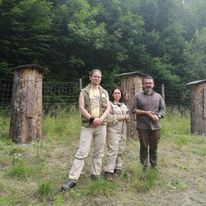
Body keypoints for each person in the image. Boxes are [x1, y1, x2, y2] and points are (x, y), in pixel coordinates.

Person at [61, 69, 110, 191]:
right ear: (90, 77)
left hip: (102, 125)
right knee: (82, 152)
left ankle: (95, 175)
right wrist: (93, 119)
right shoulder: (84, 92)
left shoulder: (104, 92)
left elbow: (108, 107)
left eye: (99, 77)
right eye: (95, 76)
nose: (97, 79)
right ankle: (72, 179)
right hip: (88, 126)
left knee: (99, 152)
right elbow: (81, 108)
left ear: (101, 78)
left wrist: (100, 119)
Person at [132, 75, 165, 173]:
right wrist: (146, 113)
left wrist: (158, 116)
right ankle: (144, 167)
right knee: (144, 147)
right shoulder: (138, 96)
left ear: (153, 84)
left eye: (150, 83)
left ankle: (153, 167)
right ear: (143, 84)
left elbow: (163, 109)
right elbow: (133, 110)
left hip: (156, 127)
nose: (148, 85)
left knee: (154, 148)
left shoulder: (159, 96)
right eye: (146, 83)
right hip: (142, 126)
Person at [104, 88, 129, 181]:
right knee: (113, 150)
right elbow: (108, 117)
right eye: (115, 93)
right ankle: (108, 171)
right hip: (113, 129)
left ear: (121, 95)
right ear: (112, 95)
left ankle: (118, 167)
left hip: (123, 130)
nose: (117, 94)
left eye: (119, 93)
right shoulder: (109, 105)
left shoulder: (123, 105)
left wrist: (128, 118)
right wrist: (122, 117)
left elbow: (128, 117)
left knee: (121, 149)